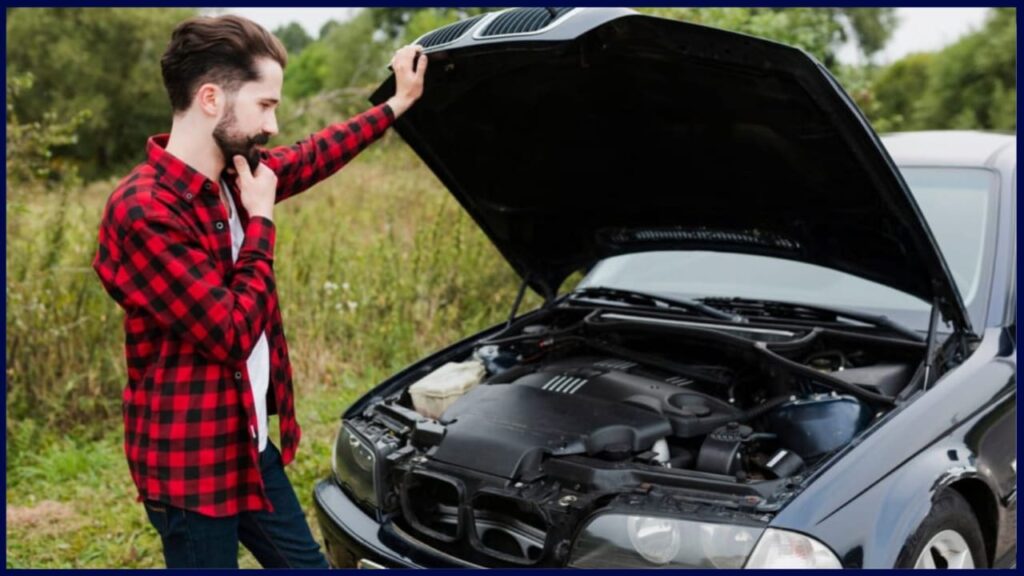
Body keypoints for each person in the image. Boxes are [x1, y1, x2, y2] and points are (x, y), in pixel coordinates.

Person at [91, 14, 426, 568]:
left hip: (247, 444)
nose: (273, 126)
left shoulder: (234, 175)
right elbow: (230, 332)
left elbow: (315, 154)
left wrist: (397, 103)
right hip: (191, 465)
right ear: (210, 99)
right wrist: (262, 221)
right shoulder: (145, 210)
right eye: (265, 105)